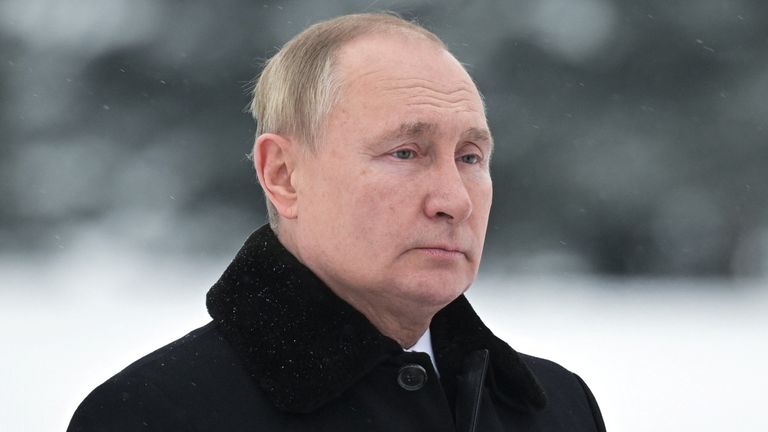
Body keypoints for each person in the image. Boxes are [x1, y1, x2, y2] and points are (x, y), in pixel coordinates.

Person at [68, 13, 606, 432]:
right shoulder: (152, 416)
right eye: (405, 152)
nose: (454, 201)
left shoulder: (558, 407)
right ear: (283, 175)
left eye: (469, 157)